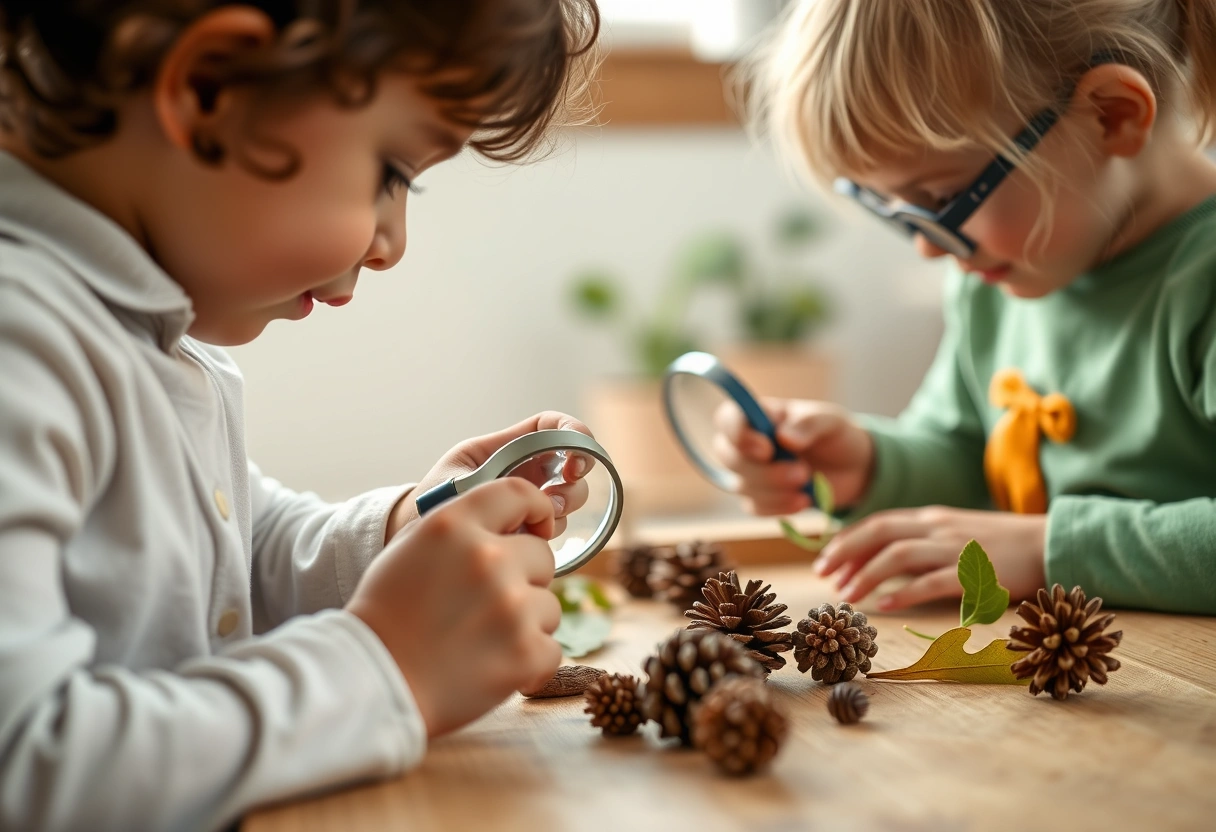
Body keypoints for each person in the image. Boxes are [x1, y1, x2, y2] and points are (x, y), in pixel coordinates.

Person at [0, 2, 600, 829]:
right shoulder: (20, 336)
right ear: (209, 88)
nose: (392, 242)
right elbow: (26, 764)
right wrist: (386, 669)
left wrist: (403, 531)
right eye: (393, 171)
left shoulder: (144, 330)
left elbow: (233, 555)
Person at [718, 0, 1216, 616]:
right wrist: (870, 466)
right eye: (893, 209)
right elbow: (962, 455)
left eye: (946, 198)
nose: (929, 245)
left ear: (1111, 115)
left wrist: (1047, 551)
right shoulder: (995, 280)